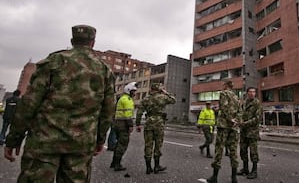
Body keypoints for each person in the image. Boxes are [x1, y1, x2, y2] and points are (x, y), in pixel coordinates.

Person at [4, 25, 115, 182]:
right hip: (81, 144)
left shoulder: (53, 62)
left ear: (72, 41)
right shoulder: (104, 71)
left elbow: (29, 103)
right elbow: (108, 110)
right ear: (93, 43)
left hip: (44, 141)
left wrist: (14, 138)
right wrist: (100, 140)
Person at [136, 83, 176, 174]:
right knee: (158, 145)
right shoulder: (162, 97)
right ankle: (157, 166)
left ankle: (148, 167)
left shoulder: (146, 99)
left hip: (149, 124)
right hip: (159, 124)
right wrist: (166, 93)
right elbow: (173, 100)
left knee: (148, 145)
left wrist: (138, 124)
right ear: (159, 89)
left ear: (151, 89)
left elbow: (139, 112)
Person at [207, 80, 241, 183]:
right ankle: (234, 178)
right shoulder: (236, 97)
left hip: (224, 126)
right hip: (234, 128)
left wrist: (230, 119)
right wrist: (236, 121)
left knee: (219, 150)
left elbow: (224, 107)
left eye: (223, 85)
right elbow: (240, 112)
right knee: (233, 151)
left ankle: (215, 177)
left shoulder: (223, 93)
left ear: (226, 86)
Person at [237, 87, 263, 179]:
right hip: (244, 132)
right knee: (243, 151)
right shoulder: (244, 103)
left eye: (254, 92)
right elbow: (240, 114)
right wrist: (239, 121)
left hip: (252, 132)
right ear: (247, 93)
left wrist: (244, 123)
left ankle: (254, 171)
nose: (252, 93)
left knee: (253, 152)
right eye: (250, 92)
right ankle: (245, 168)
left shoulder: (257, 103)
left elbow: (257, 118)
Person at [110, 82, 137, 171]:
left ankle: (114, 163)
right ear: (128, 91)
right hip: (123, 125)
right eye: (133, 91)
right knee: (122, 144)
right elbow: (128, 114)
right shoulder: (127, 100)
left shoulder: (122, 98)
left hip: (117, 124)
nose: (134, 93)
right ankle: (117, 164)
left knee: (118, 144)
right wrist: (130, 125)